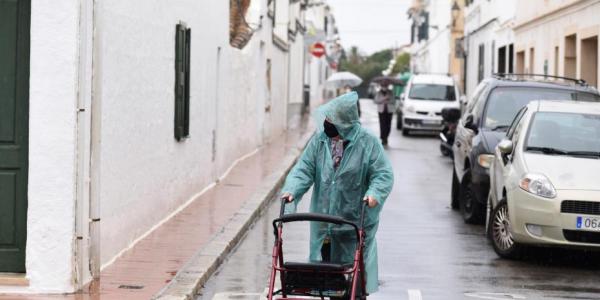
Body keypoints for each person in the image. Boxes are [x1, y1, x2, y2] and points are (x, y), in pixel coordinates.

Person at [281, 91, 394, 296]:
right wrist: (292, 191)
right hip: (324, 223)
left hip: (354, 223)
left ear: (344, 122)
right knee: (329, 280)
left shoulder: (367, 143)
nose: (326, 123)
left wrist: (373, 194)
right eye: (326, 118)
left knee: (354, 283)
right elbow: (304, 169)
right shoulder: (320, 141)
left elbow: (383, 174)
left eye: (330, 119)